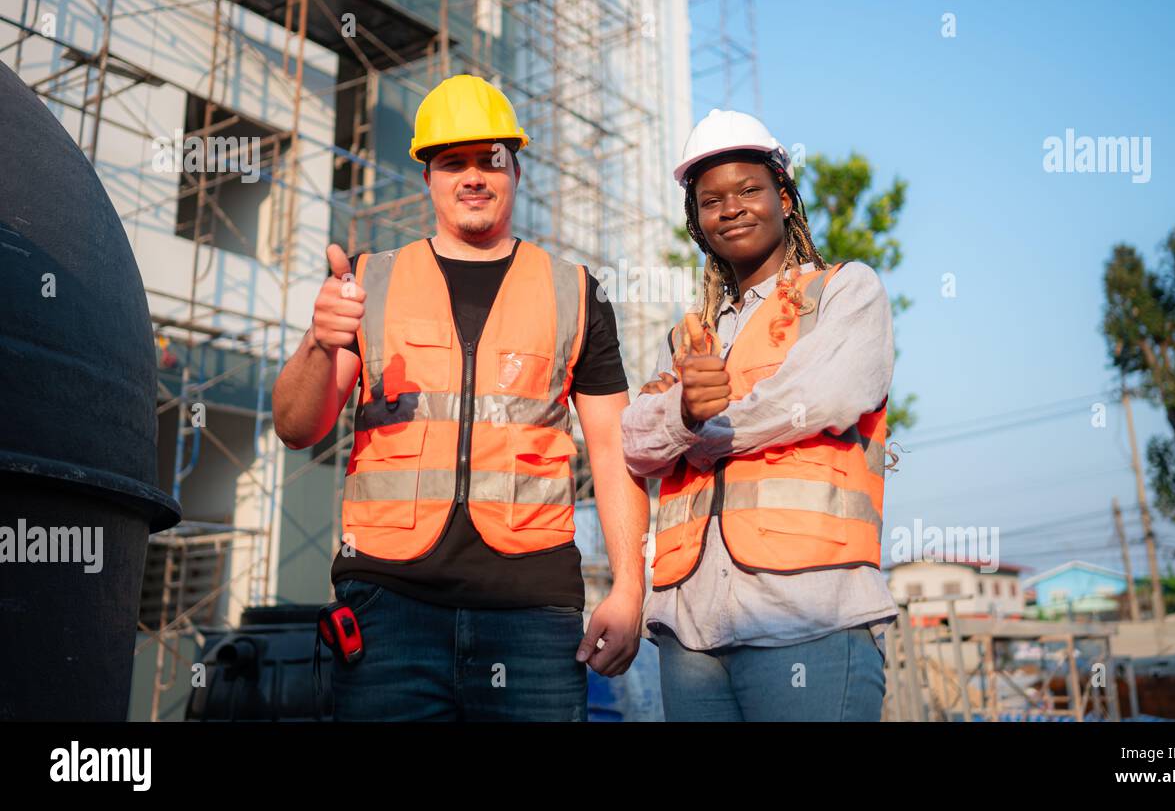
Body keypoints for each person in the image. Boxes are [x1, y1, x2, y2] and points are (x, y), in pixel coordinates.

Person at [272, 74, 647, 721]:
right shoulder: (367, 282)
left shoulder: (576, 293)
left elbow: (613, 451)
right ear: (428, 177)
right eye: (453, 162)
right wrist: (317, 342)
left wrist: (629, 589)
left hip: (533, 612)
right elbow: (296, 427)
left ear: (516, 170)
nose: (472, 176)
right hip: (388, 607)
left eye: (489, 159)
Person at [621, 108, 898, 721]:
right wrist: (681, 412)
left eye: (751, 189)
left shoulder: (842, 292)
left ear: (786, 199)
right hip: (689, 630)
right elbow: (636, 442)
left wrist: (698, 429)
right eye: (712, 201)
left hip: (809, 613)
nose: (733, 208)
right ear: (697, 223)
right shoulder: (690, 336)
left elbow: (825, 394)